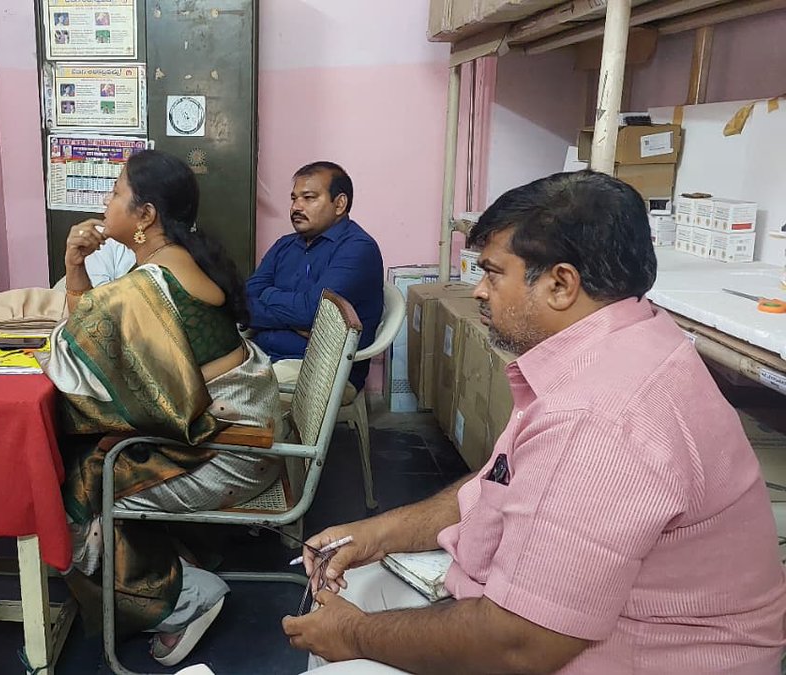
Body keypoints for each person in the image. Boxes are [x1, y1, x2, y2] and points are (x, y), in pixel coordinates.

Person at [281, 171, 786, 674]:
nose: (479, 291)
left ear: (561, 284)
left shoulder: (597, 420)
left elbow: (517, 645)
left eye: (493, 273)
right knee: (356, 587)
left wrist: (353, 636)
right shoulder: (626, 338)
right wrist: (376, 535)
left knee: (341, 655)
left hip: (637, 656)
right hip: (547, 625)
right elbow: (497, 486)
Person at [45, 149, 281, 668]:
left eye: (115, 193)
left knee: (67, 491)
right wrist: (74, 265)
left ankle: (185, 597)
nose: (105, 204)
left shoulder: (145, 285)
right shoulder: (176, 260)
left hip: (228, 451)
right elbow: (93, 330)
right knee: (91, 456)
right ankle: (173, 563)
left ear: (145, 214)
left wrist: (73, 270)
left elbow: (73, 355)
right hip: (233, 429)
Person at [246, 161, 383, 390]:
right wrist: (296, 319)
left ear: (339, 204)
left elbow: (314, 313)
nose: (296, 207)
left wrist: (268, 295)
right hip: (262, 354)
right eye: (293, 198)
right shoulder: (285, 245)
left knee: (234, 390)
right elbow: (244, 302)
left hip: (322, 367)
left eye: (308, 198)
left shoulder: (357, 248)